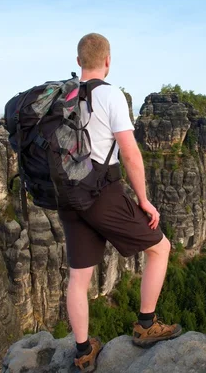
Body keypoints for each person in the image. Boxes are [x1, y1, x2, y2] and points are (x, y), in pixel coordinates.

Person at [58, 33, 182, 372]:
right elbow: (129, 152)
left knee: (78, 280)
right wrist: (144, 200)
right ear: (107, 61)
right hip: (100, 192)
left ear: (79, 60)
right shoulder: (111, 95)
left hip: (68, 195)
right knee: (160, 247)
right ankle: (145, 324)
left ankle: (83, 351)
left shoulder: (63, 96)